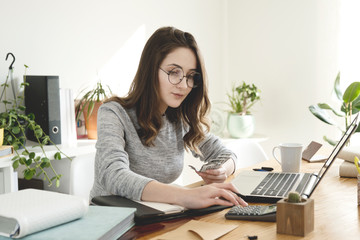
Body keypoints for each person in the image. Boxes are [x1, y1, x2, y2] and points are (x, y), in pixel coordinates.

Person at [90, 26, 247, 209]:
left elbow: (227, 155)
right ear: (150, 70)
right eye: (174, 72)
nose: (183, 85)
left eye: (190, 76)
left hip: (155, 216)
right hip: (111, 221)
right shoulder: (113, 113)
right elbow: (113, 175)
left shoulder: (179, 118)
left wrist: (222, 171)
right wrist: (185, 196)